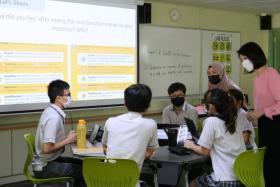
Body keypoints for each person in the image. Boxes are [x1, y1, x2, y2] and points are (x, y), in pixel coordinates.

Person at [237, 41, 280, 187]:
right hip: (265, 124)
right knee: (267, 163)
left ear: (254, 56)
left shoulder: (271, 74)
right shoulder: (257, 78)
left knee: (274, 164)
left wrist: (261, 112)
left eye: (245, 59)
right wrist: (253, 112)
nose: (243, 63)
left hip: (275, 124)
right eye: (242, 60)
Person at [185, 88, 246, 187]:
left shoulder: (211, 121)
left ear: (212, 105)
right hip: (242, 179)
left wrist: (190, 145)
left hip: (224, 181)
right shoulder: (233, 121)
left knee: (192, 184)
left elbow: (204, 151)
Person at [32, 79, 85, 187]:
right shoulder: (53, 118)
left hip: (50, 160)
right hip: (45, 167)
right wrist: (68, 140)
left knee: (85, 165)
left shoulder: (50, 111)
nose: (70, 97)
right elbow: (47, 148)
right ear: (58, 98)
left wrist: (67, 138)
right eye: (68, 94)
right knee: (83, 171)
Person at [102, 84, 159, 176]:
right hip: (130, 181)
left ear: (125, 103)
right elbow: (151, 151)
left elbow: (105, 149)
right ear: (148, 105)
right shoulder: (151, 124)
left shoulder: (110, 121)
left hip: (105, 180)